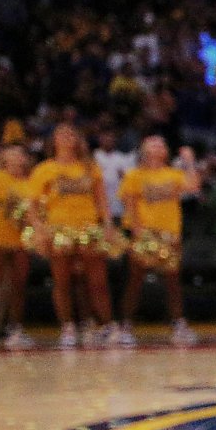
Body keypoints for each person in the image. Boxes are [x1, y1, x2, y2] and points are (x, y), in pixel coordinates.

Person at [29, 123, 125, 348]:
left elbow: (102, 200)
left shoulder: (90, 167)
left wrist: (108, 225)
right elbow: (32, 206)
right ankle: (68, 327)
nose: (66, 137)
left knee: (97, 281)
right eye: (61, 134)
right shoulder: (44, 169)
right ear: (53, 141)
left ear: (77, 140)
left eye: (71, 133)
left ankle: (106, 325)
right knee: (62, 281)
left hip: (88, 229)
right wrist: (40, 229)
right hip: (59, 229)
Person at [118, 135, 201, 346]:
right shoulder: (134, 175)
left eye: (162, 143)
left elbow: (193, 187)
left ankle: (178, 324)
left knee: (172, 282)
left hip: (169, 234)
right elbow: (129, 202)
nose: (158, 145)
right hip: (145, 233)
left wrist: (189, 161)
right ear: (144, 149)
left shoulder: (173, 174)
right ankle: (126, 325)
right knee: (135, 280)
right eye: (153, 143)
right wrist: (137, 231)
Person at [0, 142, 36, 349]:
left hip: (21, 241)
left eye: (20, 154)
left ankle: (15, 329)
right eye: (12, 154)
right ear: (4, 159)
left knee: (18, 285)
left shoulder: (31, 182)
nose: (17, 157)